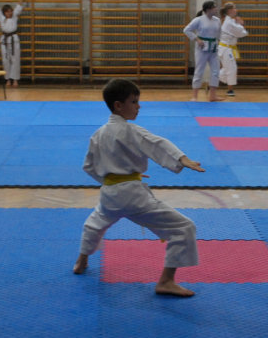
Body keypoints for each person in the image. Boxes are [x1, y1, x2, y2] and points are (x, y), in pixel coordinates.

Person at [72, 78, 205, 298]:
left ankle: (81, 261)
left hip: (109, 194)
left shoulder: (98, 134)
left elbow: (89, 166)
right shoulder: (130, 130)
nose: (138, 106)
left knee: (95, 223)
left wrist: (119, 175)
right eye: (134, 102)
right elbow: (157, 143)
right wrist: (183, 159)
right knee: (184, 228)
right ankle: (166, 281)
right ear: (118, 105)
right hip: (133, 197)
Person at [183, 0, 223, 102]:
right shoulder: (199, 20)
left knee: (216, 71)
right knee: (199, 70)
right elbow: (186, 30)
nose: (216, 9)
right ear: (208, 9)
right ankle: (194, 96)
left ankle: (212, 95)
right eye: (214, 7)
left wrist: (219, 44)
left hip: (213, 47)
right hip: (202, 47)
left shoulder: (217, 20)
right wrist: (197, 39)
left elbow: (219, 34)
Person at [0, 0, 28, 86]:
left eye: (10, 11)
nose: (10, 13)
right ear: (4, 13)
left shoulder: (14, 16)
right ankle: (7, 79)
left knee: (15, 59)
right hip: (4, 40)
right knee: (5, 60)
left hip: (14, 39)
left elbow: (19, 6)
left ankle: (15, 79)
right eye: (7, 12)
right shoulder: (1, 18)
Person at [217, 1, 248, 98]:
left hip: (227, 48)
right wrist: (241, 24)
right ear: (230, 10)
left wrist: (239, 24)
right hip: (226, 48)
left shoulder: (230, 21)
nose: (236, 10)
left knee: (226, 69)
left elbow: (240, 32)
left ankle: (211, 82)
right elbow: (242, 33)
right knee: (231, 68)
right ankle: (230, 89)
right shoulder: (229, 22)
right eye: (234, 8)